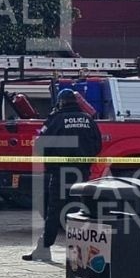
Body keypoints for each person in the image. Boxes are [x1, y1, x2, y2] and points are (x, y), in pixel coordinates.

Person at [23, 88, 102, 262]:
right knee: (80, 211)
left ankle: (44, 249)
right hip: (81, 172)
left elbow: (39, 144)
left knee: (54, 212)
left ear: (60, 102)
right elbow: (98, 145)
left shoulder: (56, 120)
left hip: (60, 172)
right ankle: (83, 250)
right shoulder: (89, 120)